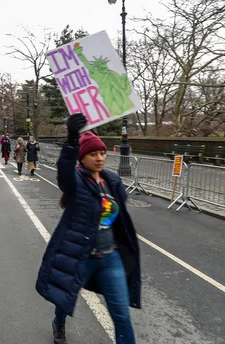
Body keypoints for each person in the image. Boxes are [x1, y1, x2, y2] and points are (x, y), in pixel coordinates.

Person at [36, 114, 141, 344]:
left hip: (109, 258)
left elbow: (121, 215)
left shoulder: (112, 181)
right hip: (80, 257)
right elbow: (63, 171)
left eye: (102, 153)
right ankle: (59, 323)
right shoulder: (75, 181)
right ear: (82, 158)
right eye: (93, 154)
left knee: (122, 316)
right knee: (64, 301)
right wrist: (72, 140)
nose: (100, 157)